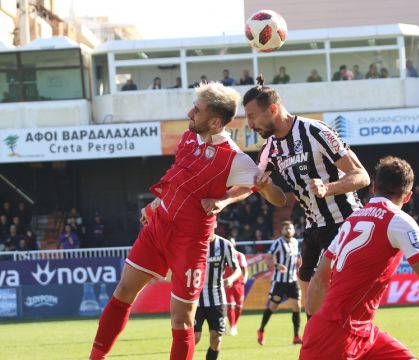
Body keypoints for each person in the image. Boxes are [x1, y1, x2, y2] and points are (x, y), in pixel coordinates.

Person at [88, 82, 286, 360]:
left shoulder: (235, 159)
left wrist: (251, 191)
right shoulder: (188, 137)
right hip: (159, 228)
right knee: (122, 291)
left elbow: (276, 199)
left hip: (190, 243)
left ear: (215, 121)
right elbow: (179, 178)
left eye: (197, 109)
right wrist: (157, 203)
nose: (189, 112)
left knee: (181, 321)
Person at [300, 156, 419, 359]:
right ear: (407, 196)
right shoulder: (399, 221)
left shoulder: (352, 220)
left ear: (373, 186)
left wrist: (314, 327)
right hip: (339, 335)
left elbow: (319, 280)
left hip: (354, 331)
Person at [242, 76, 370, 315]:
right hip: (313, 229)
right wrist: (266, 187)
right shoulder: (269, 148)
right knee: (311, 308)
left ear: (272, 108)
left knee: (331, 302)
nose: (249, 125)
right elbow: (279, 200)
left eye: (252, 116)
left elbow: (362, 176)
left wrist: (328, 188)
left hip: (344, 224)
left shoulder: (316, 131)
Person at [194, 229, 241, 360]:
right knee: (194, 338)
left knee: (216, 339)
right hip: (196, 300)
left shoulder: (224, 245)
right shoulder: (193, 243)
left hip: (217, 299)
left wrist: (231, 279)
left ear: (214, 224)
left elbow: (237, 269)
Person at [257, 220, 303, 346]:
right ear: (282, 231)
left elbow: (296, 259)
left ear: (294, 230)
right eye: (286, 229)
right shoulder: (278, 243)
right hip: (279, 281)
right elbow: (267, 258)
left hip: (292, 280)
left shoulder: (295, 242)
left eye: (290, 228)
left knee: (297, 306)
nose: (288, 230)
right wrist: (277, 265)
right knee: (273, 306)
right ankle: (261, 330)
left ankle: (296, 336)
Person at [224, 237, 248, 335]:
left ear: (234, 244)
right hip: (228, 283)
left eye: (232, 242)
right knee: (230, 305)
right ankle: (232, 326)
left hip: (239, 284)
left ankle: (234, 324)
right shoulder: (224, 255)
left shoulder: (240, 255)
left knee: (239, 307)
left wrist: (244, 280)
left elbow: (244, 269)